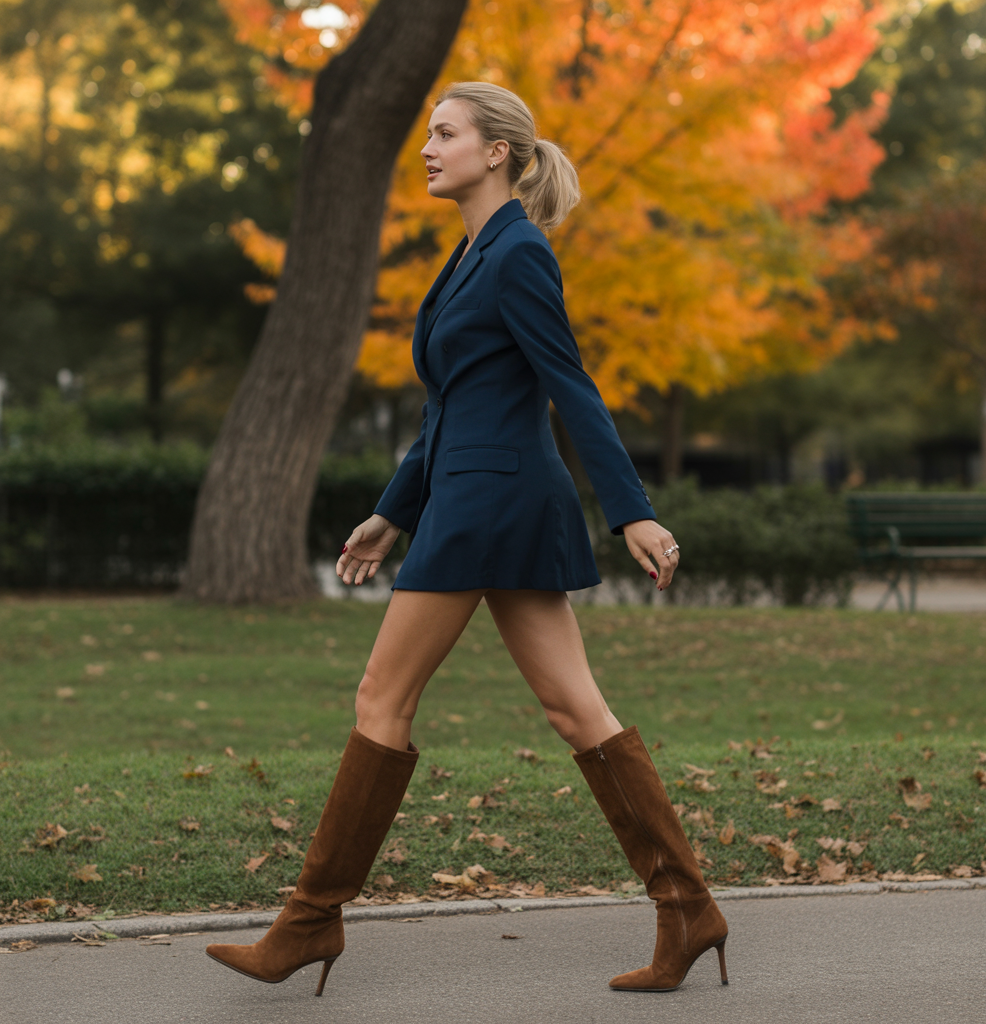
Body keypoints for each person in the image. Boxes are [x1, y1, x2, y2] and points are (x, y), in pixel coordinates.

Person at [206, 81, 728, 997]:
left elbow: (570, 384)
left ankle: (309, 922)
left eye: (445, 133)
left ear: (497, 153)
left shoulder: (520, 253)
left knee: (381, 696)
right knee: (577, 710)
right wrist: (391, 510)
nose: (427, 147)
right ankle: (688, 908)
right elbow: (451, 404)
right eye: (428, 134)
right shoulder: (474, 255)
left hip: (489, 509)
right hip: (484, 500)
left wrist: (632, 509)